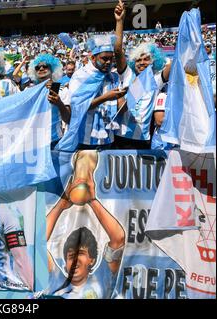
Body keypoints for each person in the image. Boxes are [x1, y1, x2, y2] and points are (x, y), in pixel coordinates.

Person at [44, 150, 125, 299]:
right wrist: (61, 204)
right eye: (70, 256)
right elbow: (38, 242)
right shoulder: (56, 276)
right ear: (65, 262)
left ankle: (84, 166)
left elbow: (119, 238)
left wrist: (92, 200)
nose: (74, 261)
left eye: (80, 254)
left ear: (92, 260)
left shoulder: (103, 274)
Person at [113, 0, 171, 149]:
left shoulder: (155, 80)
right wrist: (120, 22)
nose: (142, 62)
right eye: (138, 60)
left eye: (146, 59)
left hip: (142, 140)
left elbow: (172, 67)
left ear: (154, 61)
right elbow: (118, 50)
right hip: (119, 136)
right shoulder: (127, 76)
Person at [27, 53, 71, 146]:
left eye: (45, 66)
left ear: (53, 70)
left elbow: (68, 119)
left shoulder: (62, 89)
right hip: (34, 141)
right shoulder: (29, 91)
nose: (41, 69)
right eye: (37, 68)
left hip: (54, 140)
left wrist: (59, 103)